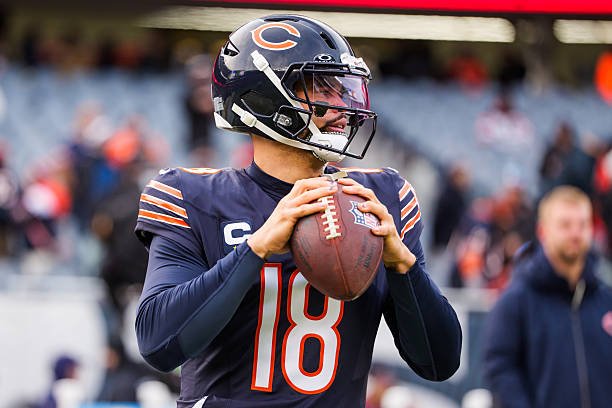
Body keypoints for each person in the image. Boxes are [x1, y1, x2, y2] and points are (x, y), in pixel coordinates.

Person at [135, 15, 461, 407]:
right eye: (323, 88)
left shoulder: (380, 198)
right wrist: (254, 250)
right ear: (264, 97)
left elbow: (439, 362)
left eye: (344, 88)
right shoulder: (192, 197)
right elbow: (159, 343)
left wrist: (403, 266)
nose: (344, 106)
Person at [483, 186, 612, 408]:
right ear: (543, 231)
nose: (576, 233)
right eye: (565, 225)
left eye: (583, 224)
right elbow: (500, 368)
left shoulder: (604, 299)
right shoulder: (517, 300)